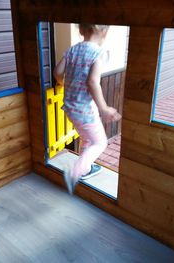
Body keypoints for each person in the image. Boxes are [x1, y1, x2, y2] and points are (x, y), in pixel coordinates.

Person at [53, 24, 121, 195]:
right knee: (100, 142)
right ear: (105, 33)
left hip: (70, 107)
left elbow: (57, 72)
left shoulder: (71, 50)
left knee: (87, 139)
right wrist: (104, 108)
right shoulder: (98, 53)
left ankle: (86, 168)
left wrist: (63, 82)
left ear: (81, 30)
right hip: (84, 110)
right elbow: (92, 82)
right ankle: (75, 172)